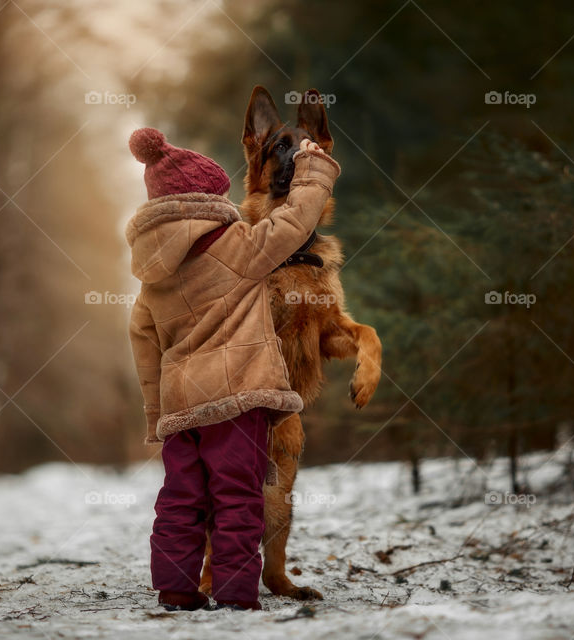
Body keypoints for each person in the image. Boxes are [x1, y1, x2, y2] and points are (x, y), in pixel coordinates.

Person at [126, 127, 340, 611]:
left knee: (180, 500)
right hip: (238, 399)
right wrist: (312, 167)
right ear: (210, 198)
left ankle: (177, 590)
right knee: (238, 499)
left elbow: (143, 343)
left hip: (182, 409)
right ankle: (237, 596)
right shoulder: (239, 246)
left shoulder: (151, 277)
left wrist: (155, 414)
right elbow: (295, 221)